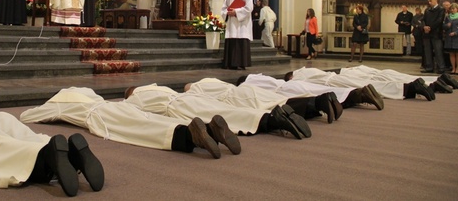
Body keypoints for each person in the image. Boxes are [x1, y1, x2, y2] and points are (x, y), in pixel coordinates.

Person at [20, 87, 239, 159]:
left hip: (101, 116)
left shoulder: (60, 101)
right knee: (148, 119)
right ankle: (210, 130)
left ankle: (191, 137)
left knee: (142, 130)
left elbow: (27, 116)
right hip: (115, 106)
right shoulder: (85, 91)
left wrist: (45, 106)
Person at [125, 83, 312, 140]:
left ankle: (273, 119)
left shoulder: (136, 98)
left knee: (228, 116)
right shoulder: (160, 88)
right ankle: (278, 116)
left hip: (181, 107)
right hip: (189, 99)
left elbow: (140, 115)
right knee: (229, 110)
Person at [185, 77, 344, 124]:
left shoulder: (197, 89)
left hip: (238, 97)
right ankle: (319, 101)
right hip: (244, 90)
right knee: (282, 100)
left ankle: (318, 103)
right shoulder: (211, 80)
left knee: (279, 106)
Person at [291, 66, 457, 101]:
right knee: (382, 78)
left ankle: (411, 88)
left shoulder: (298, 76)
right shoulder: (309, 70)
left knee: (377, 85)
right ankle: (433, 82)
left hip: (338, 79)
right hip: (341, 75)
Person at [239, 73, 385, 111]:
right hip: (291, 85)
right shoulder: (258, 78)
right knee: (326, 90)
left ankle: (360, 95)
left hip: (287, 90)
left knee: (319, 96)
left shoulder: (247, 84)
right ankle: (360, 93)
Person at [221, 0, 253, 69]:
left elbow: (249, 7)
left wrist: (236, 12)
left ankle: (241, 63)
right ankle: (231, 63)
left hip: (242, 23)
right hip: (232, 22)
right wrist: (227, 12)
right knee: (232, 40)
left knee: (241, 41)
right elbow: (224, 8)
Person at [422, 0, 446, 74]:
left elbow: (439, 21)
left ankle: (441, 67)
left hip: (436, 33)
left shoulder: (441, 9)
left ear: (435, 0)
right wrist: (424, 27)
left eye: (431, 1)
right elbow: (423, 20)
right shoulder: (427, 10)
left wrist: (430, 27)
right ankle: (429, 67)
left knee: (438, 51)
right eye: (428, 1)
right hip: (427, 33)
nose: (429, 3)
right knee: (427, 51)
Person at [443, 2, 458, 74]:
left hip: (456, 38)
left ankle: (457, 68)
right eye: (451, 9)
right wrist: (447, 26)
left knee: (457, 53)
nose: (452, 10)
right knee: (451, 53)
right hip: (449, 38)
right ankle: (453, 68)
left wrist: (455, 33)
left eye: (454, 9)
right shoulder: (448, 17)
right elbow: (443, 26)